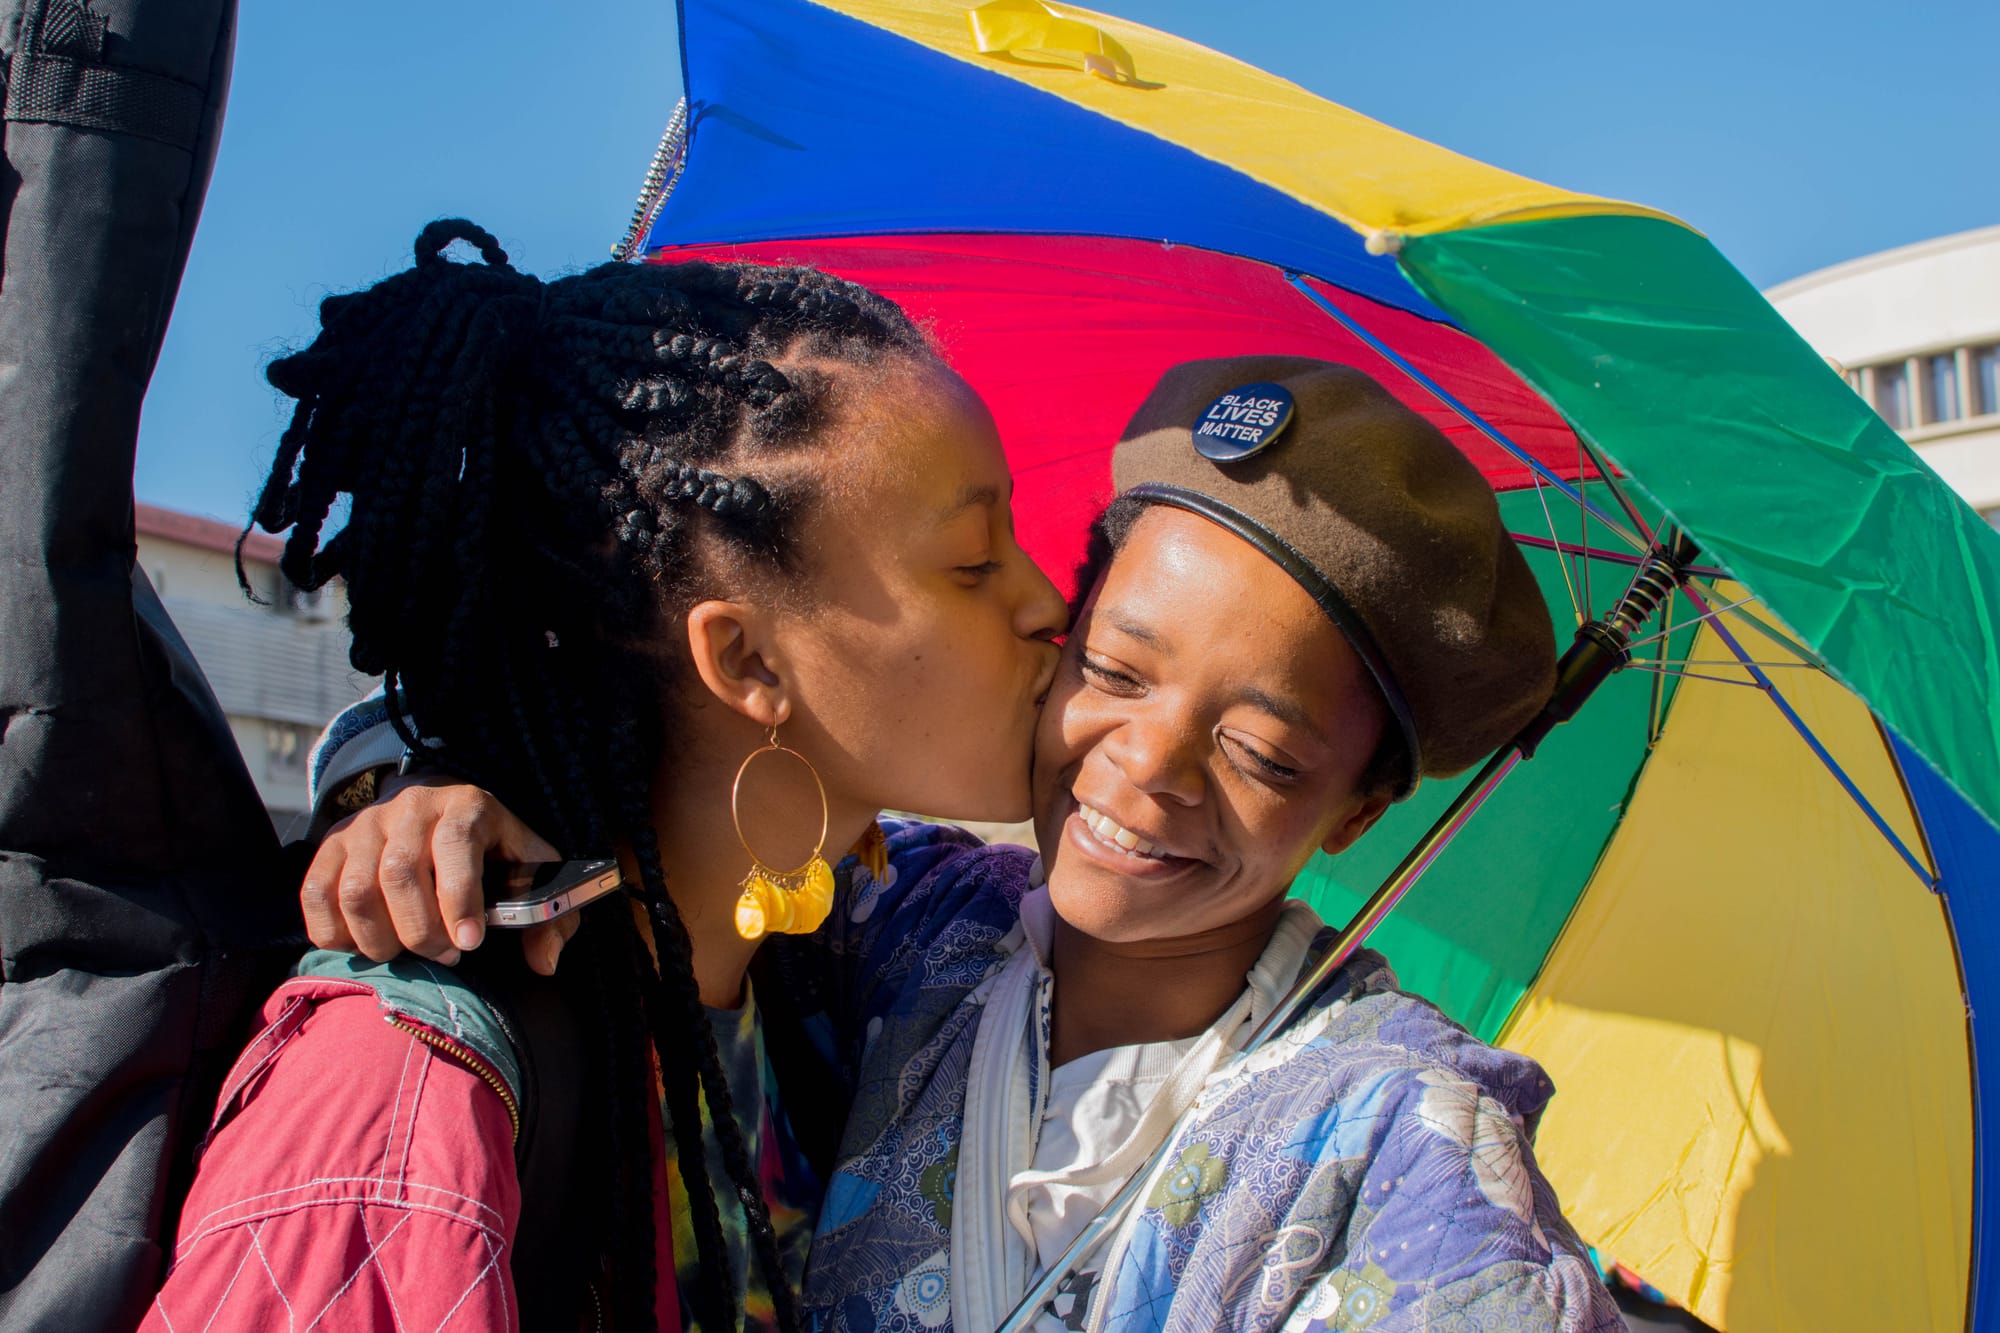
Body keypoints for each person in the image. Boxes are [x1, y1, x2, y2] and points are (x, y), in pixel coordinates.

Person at [307, 357, 1626, 1330]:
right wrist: (445, 785)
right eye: (1112, 668)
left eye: (1261, 753)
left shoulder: (1409, 1135)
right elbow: (693, 818)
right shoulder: (900, 917)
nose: (1146, 769)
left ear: (1355, 810)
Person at [142, 220, 1068, 1333]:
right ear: (742, 658)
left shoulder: (846, 951)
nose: (1043, 603)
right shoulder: (405, 1098)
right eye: (973, 561)